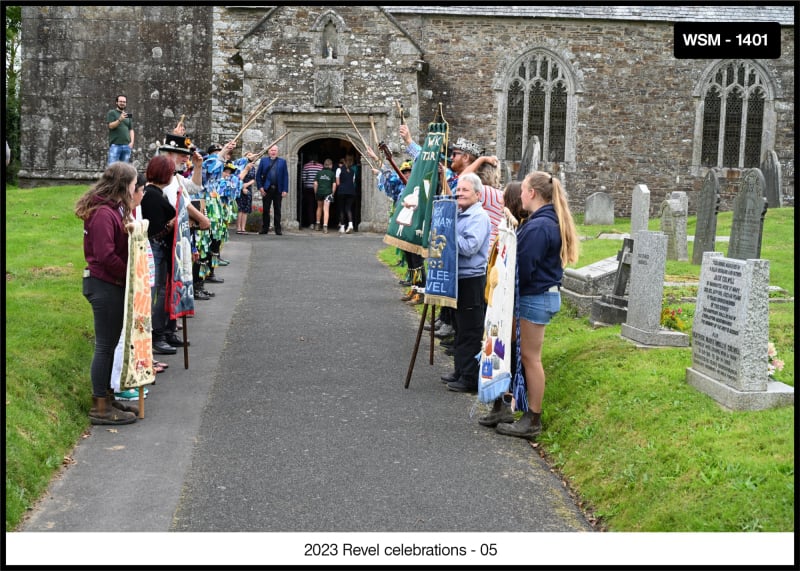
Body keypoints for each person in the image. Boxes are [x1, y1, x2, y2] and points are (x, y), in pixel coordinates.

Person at [494, 172, 579, 440]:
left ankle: (533, 418)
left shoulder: (540, 226)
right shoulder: (544, 221)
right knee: (526, 356)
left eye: (524, 190)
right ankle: (513, 407)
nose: (520, 194)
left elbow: (524, 267)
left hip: (535, 296)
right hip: (540, 295)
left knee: (531, 358)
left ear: (532, 193)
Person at [75, 161, 140, 425]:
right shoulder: (103, 213)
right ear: (124, 185)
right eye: (134, 185)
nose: (136, 189)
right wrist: (129, 275)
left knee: (110, 344)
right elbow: (105, 255)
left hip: (109, 283)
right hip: (104, 284)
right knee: (104, 345)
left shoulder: (111, 210)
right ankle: (99, 406)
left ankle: (107, 397)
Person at [477, 180, 525, 427]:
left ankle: (506, 403)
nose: (501, 203)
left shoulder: (517, 230)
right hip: (496, 300)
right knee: (494, 350)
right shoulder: (506, 225)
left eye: (505, 199)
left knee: (505, 353)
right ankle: (497, 404)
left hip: (509, 303)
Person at [442, 173, 492, 393]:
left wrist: (446, 235)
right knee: (459, 328)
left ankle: (470, 378)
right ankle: (460, 370)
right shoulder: (460, 214)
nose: (459, 193)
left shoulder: (478, 217)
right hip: (457, 277)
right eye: (458, 189)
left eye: (465, 190)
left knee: (470, 330)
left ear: (478, 195)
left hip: (471, 279)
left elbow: (470, 247)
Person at [140, 155, 180, 356]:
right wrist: (170, 225)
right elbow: (154, 230)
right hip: (156, 248)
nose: (173, 175)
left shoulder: (157, 194)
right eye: (171, 172)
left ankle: (164, 329)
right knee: (157, 292)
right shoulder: (152, 196)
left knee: (163, 290)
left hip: (161, 248)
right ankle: (157, 333)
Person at [256, 144, 289, 235]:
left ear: (277, 152)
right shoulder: (263, 161)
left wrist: (285, 189)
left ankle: (278, 229)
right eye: (271, 150)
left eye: (275, 150)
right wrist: (260, 187)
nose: (273, 152)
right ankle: (265, 228)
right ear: (268, 152)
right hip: (267, 189)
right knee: (266, 210)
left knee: (277, 209)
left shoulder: (282, 162)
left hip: (278, 188)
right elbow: (258, 176)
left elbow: (285, 176)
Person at [106, 94, 135, 165]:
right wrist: (119, 120)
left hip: (127, 146)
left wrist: (132, 142)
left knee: (124, 169)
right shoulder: (112, 113)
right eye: (120, 101)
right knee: (112, 168)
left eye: (124, 102)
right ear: (116, 102)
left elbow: (131, 129)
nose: (122, 103)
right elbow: (110, 126)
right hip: (115, 145)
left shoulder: (128, 115)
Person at [234, 152, 257, 234]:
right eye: (249, 155)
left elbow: (253, 179)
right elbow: (238, 177)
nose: (251, 157)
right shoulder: (241, 166)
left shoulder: (253, 167)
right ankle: (238, 228)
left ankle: (243, 228)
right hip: (240, 187)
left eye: (252, 155)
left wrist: (247, 185)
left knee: (246, 209)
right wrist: (243, 187)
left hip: (248, 188)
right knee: (240, 208)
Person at [313, 158, 336, 233]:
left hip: (319, 192)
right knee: (326, 209)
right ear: (331, 165)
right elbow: (334, 184)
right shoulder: (332, 174)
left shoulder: (319, 173)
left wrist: (316, 192)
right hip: (328, 193)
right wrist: (332, 193)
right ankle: (325, 226)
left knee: (319, 207)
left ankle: (317, 224)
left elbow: (315, 183)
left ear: (324, 165)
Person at [335, 155, 357, 233]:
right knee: (348, 208)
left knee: (341, 209)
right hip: (351, 191)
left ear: (344, 161)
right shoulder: (353, 171)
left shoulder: (339, 170)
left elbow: (337, 183)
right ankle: (351, 225)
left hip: (342, 191)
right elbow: (353, 182)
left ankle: (342, 227)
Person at [302, 155, 323, 229]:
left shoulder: (306, 166)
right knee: (319, 206)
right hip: (319, 188)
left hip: (309, 188)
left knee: (310, 206)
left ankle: (311, 223)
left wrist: (305, 184)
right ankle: (319, 222)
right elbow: (322, 177)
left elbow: (303, 178)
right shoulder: (321, 166)